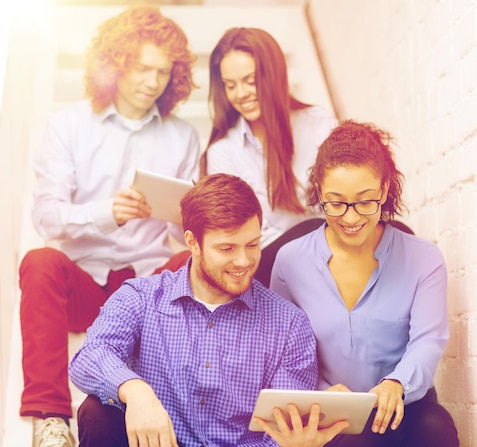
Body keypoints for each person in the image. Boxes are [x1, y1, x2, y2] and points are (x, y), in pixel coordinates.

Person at [18, 6, 200, 447]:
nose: (152, 81)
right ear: (116, 64)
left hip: (147, 291)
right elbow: (46, 215)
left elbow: (185, 236)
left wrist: (179, 213)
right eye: (142, 68)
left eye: (162, 72)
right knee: (40, 261)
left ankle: (178, 406)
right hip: (84, 283)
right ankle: (51, 418)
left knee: (188, 260)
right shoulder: (68, 125)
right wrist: (107, 213)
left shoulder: (184, 136)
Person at [68, 173, 348, 447]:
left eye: (252, 245)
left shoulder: (289, 325)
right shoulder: (141, 298)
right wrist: (136, 391)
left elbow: (276, 436)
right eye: (227, 248)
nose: (243, 261)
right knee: (96, 412)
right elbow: (88, 357)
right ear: (192, 242)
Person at [270, 120, 460, 447]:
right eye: (336, 202)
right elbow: (281, 350)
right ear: (319, 192)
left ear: (384, 190)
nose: (351, 218)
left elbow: (428, 341)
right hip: (328, 416)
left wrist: (395, 383)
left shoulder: (424, 259)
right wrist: (319, 392)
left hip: (402, 410)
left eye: (365, 201)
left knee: (436, 426)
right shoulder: (290, 262)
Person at [201, 27, 338, 286]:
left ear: (273, 76)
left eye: (250, 81)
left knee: (396, 235)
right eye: (230, 85)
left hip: (331, 251)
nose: (240, 94)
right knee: (309, 233)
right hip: (267, 262)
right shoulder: (223, 152)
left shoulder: (318, 125)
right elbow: (241, 235)